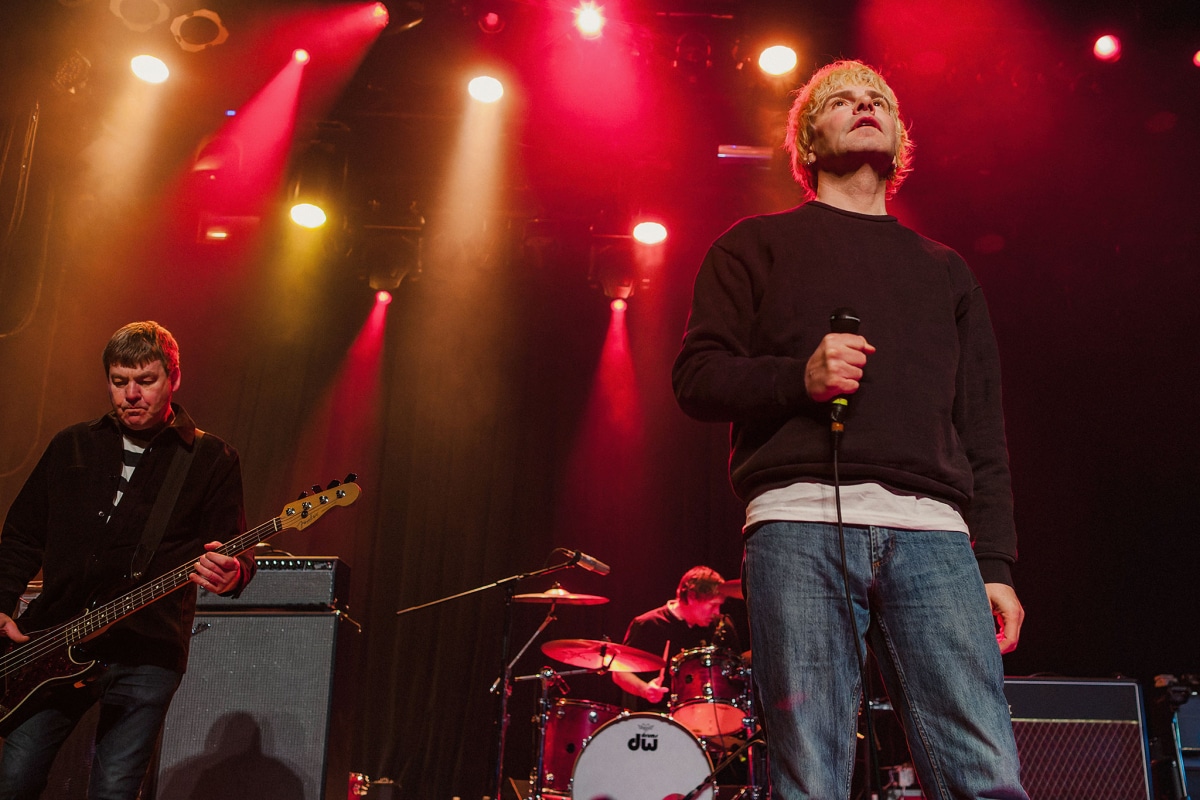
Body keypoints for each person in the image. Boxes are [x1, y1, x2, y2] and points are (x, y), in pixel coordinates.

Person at [671, 59, 1029, 799]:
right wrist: (797, 379)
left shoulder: (947, 271)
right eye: (842, 100)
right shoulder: (752, 246)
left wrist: (994, 562)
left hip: (936, 538)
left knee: (985, 774)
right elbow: (697, 378)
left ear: (898, 140)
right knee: (811, 780)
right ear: (807, 142)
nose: (865, 105)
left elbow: (982, 429)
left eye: (879, 102)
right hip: (799, 525)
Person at [0, 321, 256, 799]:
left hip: (147, 650)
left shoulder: (211, 458)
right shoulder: (72, 445)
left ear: (173, 379)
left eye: (146, 381)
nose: (131, 395)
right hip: (52, 638)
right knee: (15, 778)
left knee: (115, 788)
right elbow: (20, 535)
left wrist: (232, 572)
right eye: (119, 382)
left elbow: (233, 549)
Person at [611, 566, 739, 712]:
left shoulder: (718, 627)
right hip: (659, 716)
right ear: (691, 597)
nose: (717, 612)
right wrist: (645, 690)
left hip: (706, 713)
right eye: (713, 605)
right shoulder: (649, 624)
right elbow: (619, 672)